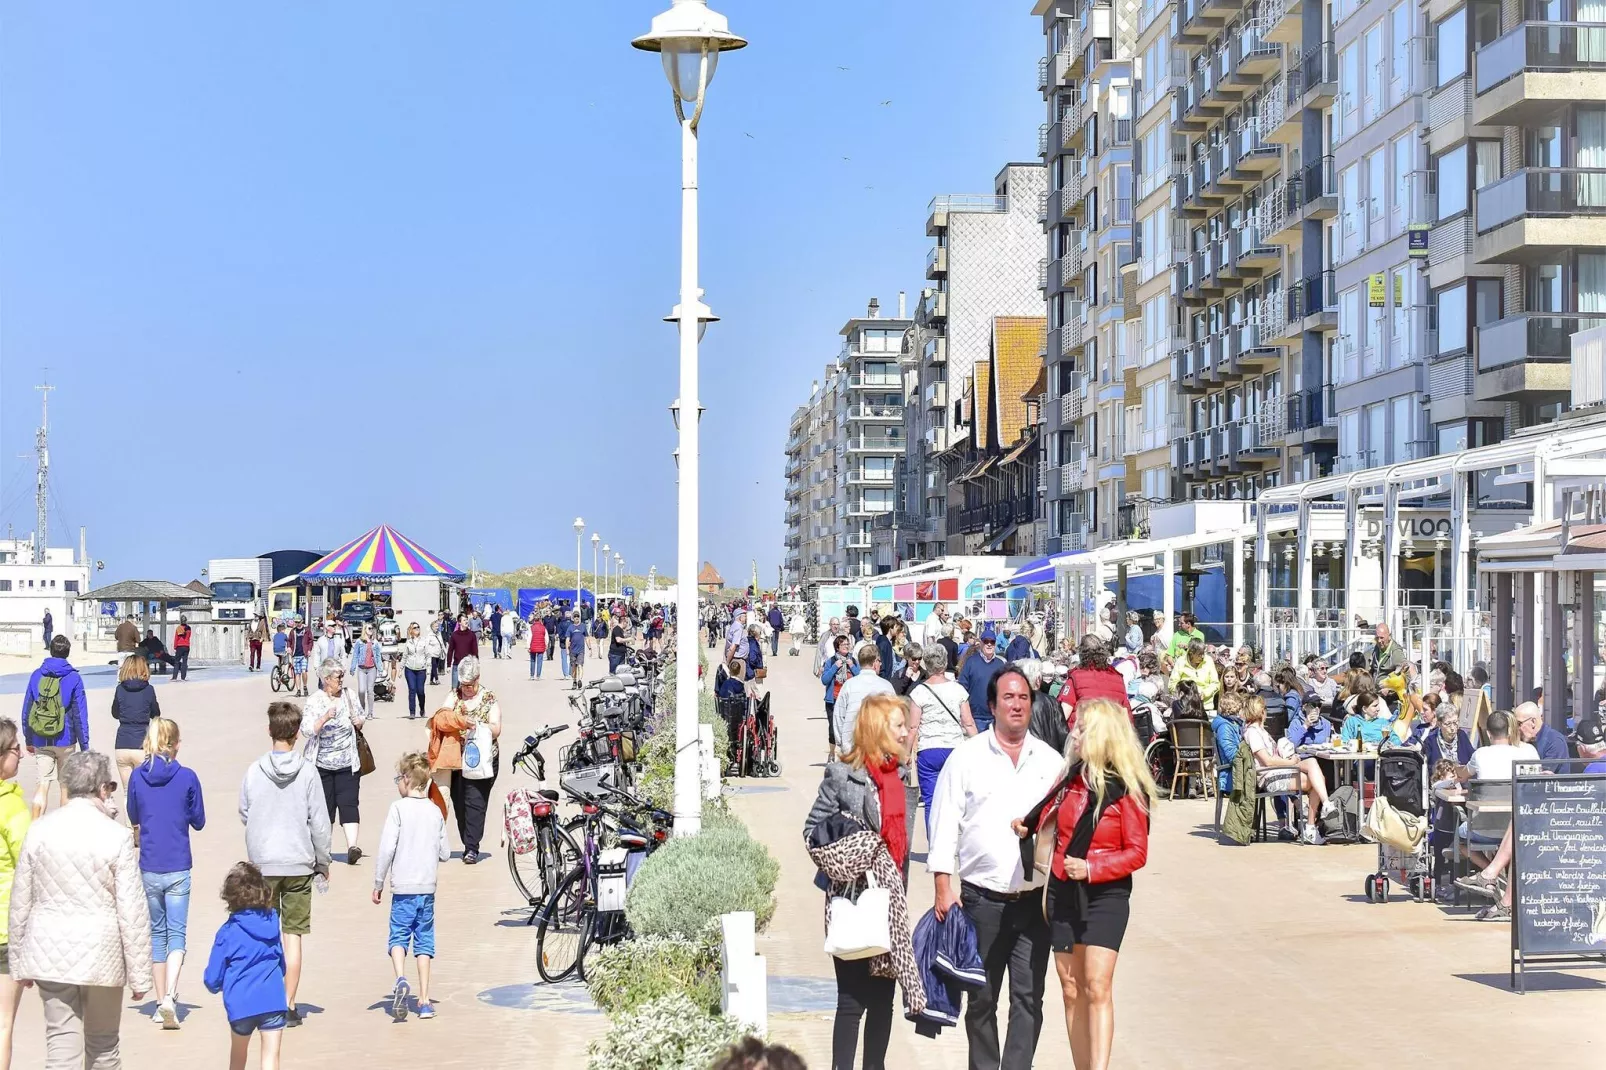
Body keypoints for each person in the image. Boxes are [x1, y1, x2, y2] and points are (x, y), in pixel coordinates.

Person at [928, 667, 1063, 1070]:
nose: (1017, 704)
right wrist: (941, 885)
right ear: (992, 706)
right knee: (982, 997)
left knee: (1028, 998)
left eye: (1023, 697)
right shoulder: (966, 758)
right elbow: (944, 823)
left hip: (1033, 902)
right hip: (981, 901)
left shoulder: (1050, 761)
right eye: (1009, 697)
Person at [1013, 697, 1155, 1070]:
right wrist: (1026, 825)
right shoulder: (1069, 780)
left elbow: (1137, 853)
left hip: (1105, 894)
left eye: (1081, 728)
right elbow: (1046, 817)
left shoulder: (1127, 788)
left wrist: (1092, 868)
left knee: (1096, 985)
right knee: (1071, 987)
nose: (1072, 733)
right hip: (1062, 891)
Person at [11, 750, 153, 1069]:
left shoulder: (39, 830)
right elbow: (132, 911)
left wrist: (20, 961)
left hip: (48, 950)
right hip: (102, 955)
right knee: (103, 1048)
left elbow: (21, 899)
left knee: (61, 1046)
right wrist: (141, 975)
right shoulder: (116, 837)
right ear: (102, 788)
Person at [803, 694, 916, 1070]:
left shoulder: (901, 776)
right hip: (851, 899)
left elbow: (902, 852)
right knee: (852, 1000)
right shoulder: (841, 775)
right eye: (899, 726)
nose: (906, 733)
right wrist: (862, 847)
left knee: (884, 1000)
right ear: (878, 729)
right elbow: (812, 832)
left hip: (890, 904)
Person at [241, 701, 332, 1026]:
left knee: (265, 934)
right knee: (293, 935)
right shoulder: (308, 771)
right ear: (297, 733)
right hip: (297, 863)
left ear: (270, 731)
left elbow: (245, 812)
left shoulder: (254, 770)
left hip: (263, 864)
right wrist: (323, 861)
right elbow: (320, 823)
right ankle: (289, 1004)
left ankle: (265, 1001)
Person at [126, 716, 205, 1028]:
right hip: (177, 864)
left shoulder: (136, 778)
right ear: (173, 744)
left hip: (149, 864)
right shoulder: (187, 777)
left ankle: (161, 1003)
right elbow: (198, 820)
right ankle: (170, 995)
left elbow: (134, 814)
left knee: (157, 935)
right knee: (177, 935)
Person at [373, 752, 450, 1022]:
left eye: (398, 778)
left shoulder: (398, 809)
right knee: (424, 943)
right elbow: (445, 852)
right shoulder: (435, 811)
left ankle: (400, 978)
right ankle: (426, 1001)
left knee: (398, 937)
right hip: (427, 889)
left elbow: (386, 849)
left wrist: (378, 882)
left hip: (402, 887)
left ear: (407, 779)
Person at [203, 862, 287, 1070]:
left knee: (238, 1058)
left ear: (230, 898)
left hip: (241, 1003)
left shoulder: (227, 932)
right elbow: (282, 964)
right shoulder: (272, 922)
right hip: (273, 998)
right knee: (271, 1058)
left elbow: (212, 978)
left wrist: (217, 985)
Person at [429, 657, 501, 864]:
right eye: (464, 685)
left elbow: (497, 728)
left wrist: (479, 726)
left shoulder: (489, 698)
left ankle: (472, 847)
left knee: (475, 802)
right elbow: (441, 717)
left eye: (471, 685)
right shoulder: (454, 696)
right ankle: (467, 838)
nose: (467, 689)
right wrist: (458, 721)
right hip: (456, 760)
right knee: (460, 803)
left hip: (483, 760)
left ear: (478, 678)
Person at [301, 660, 366, 864]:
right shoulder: (314, 701)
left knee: (349, 804)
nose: (341, 680)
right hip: (321, 766)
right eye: (338, 677)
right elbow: (306, 730)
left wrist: (359, 722)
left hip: (348, 762)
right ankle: (323, 851)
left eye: (342, 676)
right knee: (324, 809)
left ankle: (352, 847)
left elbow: (360, 716)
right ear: (326, 679)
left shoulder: (349, 695)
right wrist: (324, 718)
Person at [1241, 695, 1331, 844]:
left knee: (1314, 768)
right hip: (1267, 777)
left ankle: (1323, 809)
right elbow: (1267, 761)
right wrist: (1290, 762)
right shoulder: (1253, 732)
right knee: (1318, 780)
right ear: (1261, 711)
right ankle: (1311, 825)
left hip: (1277, 770)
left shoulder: (1260, 730)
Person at [907, 645, 976, 832]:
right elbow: (968, 723)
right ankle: (951, 842)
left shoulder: (919, 692)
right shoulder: (958, 690)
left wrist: (905, 753)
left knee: (930, 801)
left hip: (928, 749)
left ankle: (934, 848)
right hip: (954, 748)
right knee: (954, 801)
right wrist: (979, 746)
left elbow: (913, 727)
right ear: (945, 663)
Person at [21, 635, 90, 819]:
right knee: (65, 786)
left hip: (40, 738)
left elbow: (27, 709)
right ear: (67, 652)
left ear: (51, 651)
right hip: (65, 740)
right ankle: (63, 830)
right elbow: (79, 714)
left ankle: (35, 825)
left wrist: (29, 739)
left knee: (42, 783)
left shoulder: (36, 675)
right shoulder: (74, 677)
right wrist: (84, 746)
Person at [0, 718, 30, 1070]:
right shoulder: (11, 807)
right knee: (4, 1022)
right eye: (13, 749)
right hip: (6, 928)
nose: (20, 754)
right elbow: (29, 861)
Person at [110, 654, 161, 794]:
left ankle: (129, 817)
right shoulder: (148, 689)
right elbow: (156, 714)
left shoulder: (120, 689)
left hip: (122, 743)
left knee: (128, 792)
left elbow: (115, 713)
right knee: (144, 792)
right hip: (142, 743)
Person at [1059, 636, 1130, 732]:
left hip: (1084, 736)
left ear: (1082, 654)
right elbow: (1127, 716)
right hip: (1112, 736)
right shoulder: (1117, 677)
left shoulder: (1076, 676)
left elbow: (1063, 714)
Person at [832, 646, 894, 751]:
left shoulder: (849, 685)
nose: (881, 664)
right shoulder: (886, 686)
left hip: (852, 748)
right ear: (875, 663)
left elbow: (838, 716)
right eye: (879, 661)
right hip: (879, 749)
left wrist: (842, 743)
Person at [957, 633, 1006, 733]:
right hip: (975, 717)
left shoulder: (1000, 664)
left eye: (992, 642)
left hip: (995, 717)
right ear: (981, 643)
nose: (989, 644)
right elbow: (962, 688)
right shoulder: (971, 662)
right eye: (986, 641)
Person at [821, 635, 857, 760]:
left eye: (848, 644)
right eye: (843, 645)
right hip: (833, 700)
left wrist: (852, 666)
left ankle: (847, 755)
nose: (847, 647)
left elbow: (859, 678)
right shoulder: (831, 661)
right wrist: (835, 667)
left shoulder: (853, 660)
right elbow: (824, 680)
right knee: (833, 729)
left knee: (849, 729)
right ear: (837, 647)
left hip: (849, 701)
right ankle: (832, 753)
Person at [1168, 639, 1220, 712]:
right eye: (1199, 654)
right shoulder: (1180, 661)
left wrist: (1205, 694)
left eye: (1203, 653)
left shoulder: (1208, 660)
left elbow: (1215, 683)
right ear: (1191, 653)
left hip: (1205, 706)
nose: (1202, 656)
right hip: (1185, 707)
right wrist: (1185, 695)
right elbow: (1172, 684)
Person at [348, 624, 382, 721]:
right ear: (365, 630)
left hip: (372, 669)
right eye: (369, 628)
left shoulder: (375, 643)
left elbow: (378, 656)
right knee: (361, 690)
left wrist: (380, 669)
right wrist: (352, 668)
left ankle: (370, 713)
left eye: (372, 628)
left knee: (370, 691)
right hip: (361, 669)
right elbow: (355, 655)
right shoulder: (359, 642)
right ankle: (362, 710)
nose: (371, 630)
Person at [399, 622, 431, 720]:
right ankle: (412, 712)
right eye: (415, 628)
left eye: (418, 627)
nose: (417, 629)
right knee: (412, 690)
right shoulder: (408, 642)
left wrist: (428, 668)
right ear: (411, 630)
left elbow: (428, 655)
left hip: (421, 669)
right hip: (410, 670)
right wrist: (400, 669)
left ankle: (422, 708)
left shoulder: (424, 641)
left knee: (420, 690)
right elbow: (404, 657)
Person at [447, 614, 478, 690]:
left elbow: (475, 651)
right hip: (456, 665)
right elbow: (450, 650)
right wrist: (448, 665)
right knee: (455, 689)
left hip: (468, 666)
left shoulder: (471, 635)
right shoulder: (454, 635)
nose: (466, 621)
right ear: (459, 622)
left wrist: (476, 665)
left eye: (467, 619)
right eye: (464, 620)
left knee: (467, 690)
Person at [288, 619, 312, 697]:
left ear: (302, 622)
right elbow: (289, 641)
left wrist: (309, 650)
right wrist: (288, 647)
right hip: (295, 655)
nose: (297, 623)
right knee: (297, 673)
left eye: (298, 622)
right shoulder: (292, 631)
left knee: (304, 671)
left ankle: (305, 686)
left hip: (303, 654)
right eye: (296, 622)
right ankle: (298, 690)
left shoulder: (307, 630)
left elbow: (310, 640)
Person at [568, 612, 587, 689]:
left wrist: (589, 647)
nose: (576, 618)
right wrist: (567, 649)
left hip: (581, 650)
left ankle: (580, 680)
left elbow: (586, 637)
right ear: (573, 618)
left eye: (578, 616)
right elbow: (567, 639)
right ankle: (574, 681)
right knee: (573, 667)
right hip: (573, 650)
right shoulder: (570, 627)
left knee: (580, 665)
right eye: (575, 616)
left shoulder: (583, 626)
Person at [528, 613, 548, 680]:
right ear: (540, 619)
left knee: (532, 661)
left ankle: (532, 675)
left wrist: (528, 646)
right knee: (540, 661)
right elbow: (546, 638)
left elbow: (529, 638)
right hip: (541, 646)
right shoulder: (543, 628)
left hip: (533, 646)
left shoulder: (531, 628)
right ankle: (538, 676)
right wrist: (546, 644)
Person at [172, 616, 192, 682]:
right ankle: (183, 678)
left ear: (180, 621)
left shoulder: (179, 628)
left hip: (180, 646)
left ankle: (174, 677)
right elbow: (188, 637)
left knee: (177, 662)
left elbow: (176, 638)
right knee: (184, 662)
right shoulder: (189, 628)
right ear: (186, 620)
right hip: (186, 646)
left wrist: (175, 647)